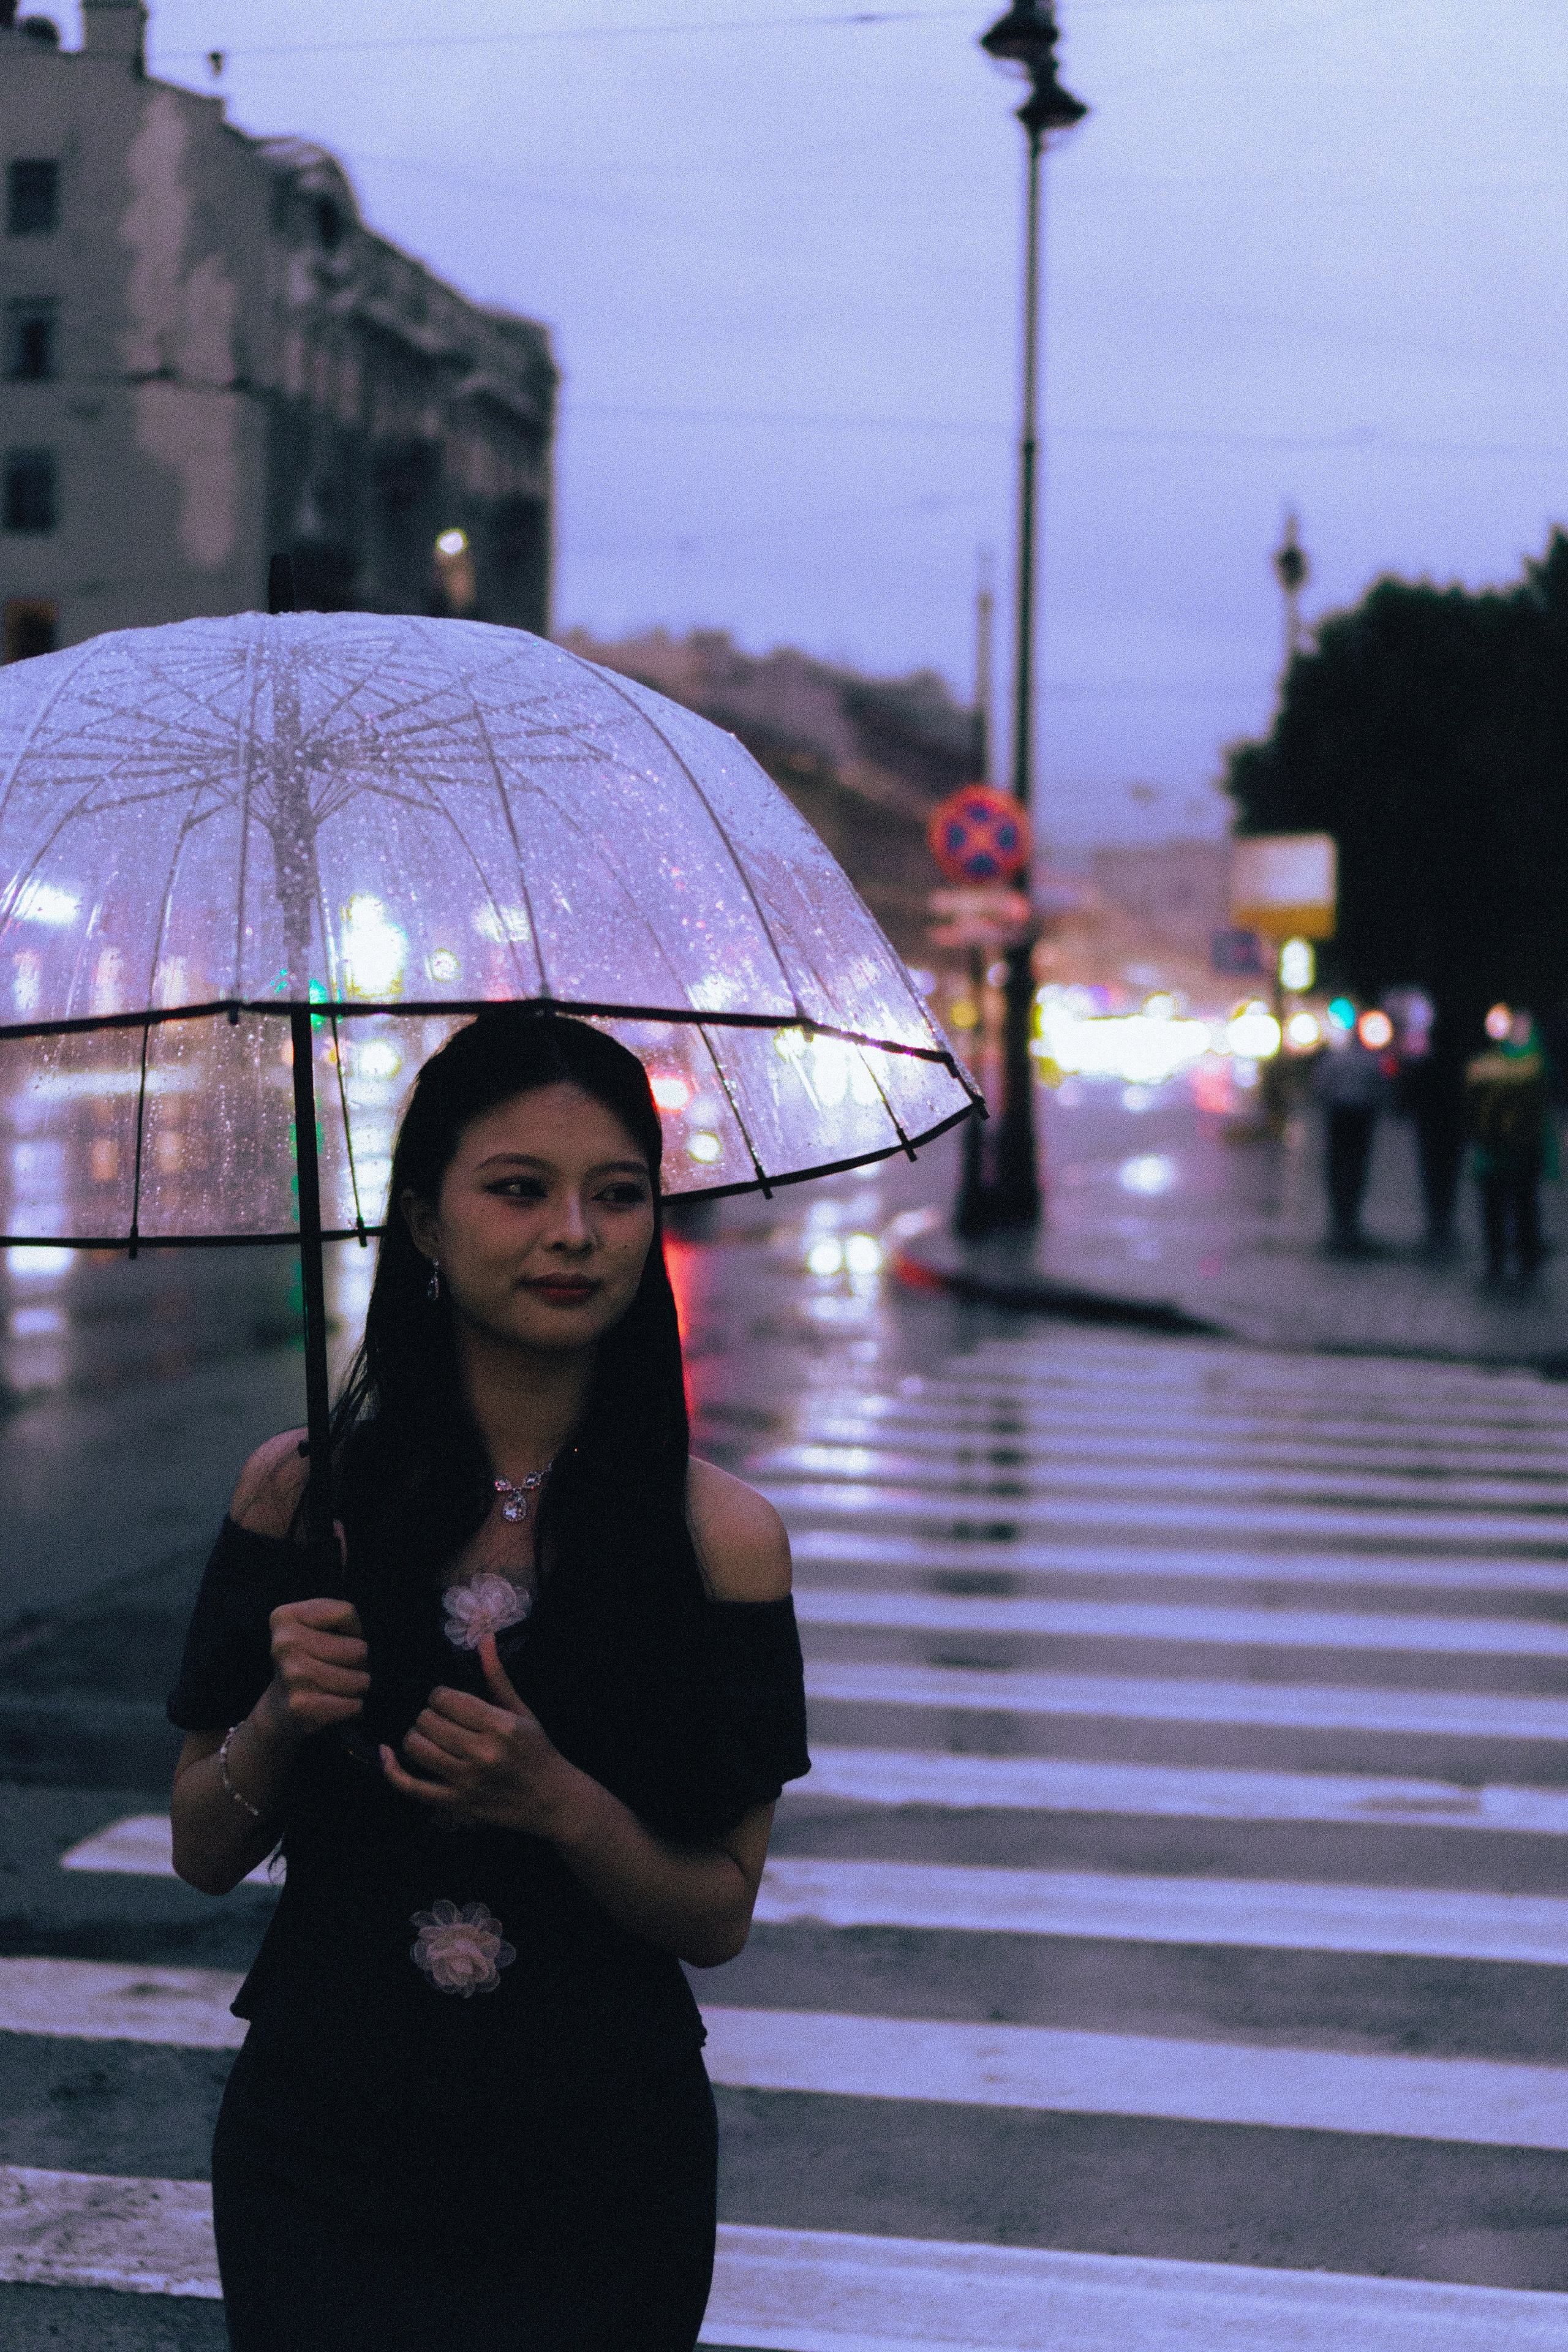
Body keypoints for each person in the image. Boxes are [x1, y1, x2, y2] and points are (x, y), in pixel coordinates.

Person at [167, 1010, 809, 2351]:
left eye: (616, 1194)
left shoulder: (720, 1539)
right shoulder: (304, 1498)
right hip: (321, 2141)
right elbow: (203, 1845)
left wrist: (559, 1803)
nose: (573, 1233)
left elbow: (716, 1915)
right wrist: (282, 1714)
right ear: (422, 1222)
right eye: (518, 1189)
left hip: (601, 2158)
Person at [1466, 1008, 1555, 1280]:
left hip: (1518, 1150)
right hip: (1499, 1150)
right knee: (1506, 1203)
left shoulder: (1529, 1064)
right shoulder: (1496, 1063)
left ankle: (1517, 1254)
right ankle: (1503, 1255)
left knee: (1520, 1202)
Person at [1313, 1011, 1389, 1252]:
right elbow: (1382, 1090)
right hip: (1362, 1117)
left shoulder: (1335, 1059)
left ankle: (1339, 1218)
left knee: (1337, 1166)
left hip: (1338, 1116)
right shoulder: (1371, 1060)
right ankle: (1351, 1218)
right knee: (1357, 1166)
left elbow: (1320, 1087)